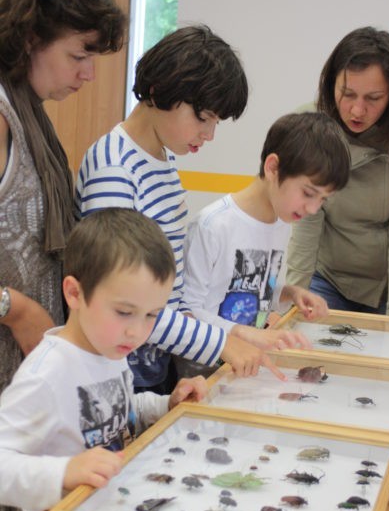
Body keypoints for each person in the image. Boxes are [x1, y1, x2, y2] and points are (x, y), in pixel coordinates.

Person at [76, 25, 305, 396]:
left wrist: (238, 333)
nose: (209, 135)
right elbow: (116, 300)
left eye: (216, 122)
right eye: (203, 118)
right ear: (158, 91)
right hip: (116, 370)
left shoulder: (162, 160)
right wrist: (221, 343)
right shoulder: (115, 168)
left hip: (153, 363)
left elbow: (173, 293)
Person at [0, 0, 125, 511]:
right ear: (31, 37)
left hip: (26, 361)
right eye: (79, 55)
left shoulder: (30, 112)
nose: (88, 75)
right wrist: (16, 308)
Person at [0, 208, 208, 511]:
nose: (137, 332)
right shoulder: (47, 374)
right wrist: (64, 471)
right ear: (74, 293)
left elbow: (120, 414)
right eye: (124, 312)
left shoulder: (109, 348)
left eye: (152, 315)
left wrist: (166, 404)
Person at [182, 112, 350, 373]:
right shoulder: (212, 226)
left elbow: (254, 289)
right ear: (273, 168)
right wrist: (246, 333)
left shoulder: (281, 221)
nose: (313, 209)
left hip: (244, 367)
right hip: (202, 372)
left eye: (323, 199)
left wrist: (290, 293)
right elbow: (187, 312)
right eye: (308, 193)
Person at [286, 27, 389, 315]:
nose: (357, 111)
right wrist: (291, 305)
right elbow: (306, 224)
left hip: (388, 285)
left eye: (373, 98)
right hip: (328, 279)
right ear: (330, 84)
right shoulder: (312, 125)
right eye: (347, 94)